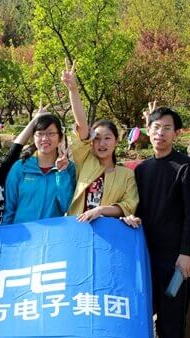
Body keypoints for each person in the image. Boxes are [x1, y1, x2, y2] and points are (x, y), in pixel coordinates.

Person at [124, 105, 190, 338]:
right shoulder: (142, 169)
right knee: (141, 320)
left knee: (170, 324)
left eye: (167, 128)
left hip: (174, 262)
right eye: (156, 127)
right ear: (148, 130)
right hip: (144, 259)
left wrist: (186, 253)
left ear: (177, 133)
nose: (160, 133)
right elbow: (135, 207)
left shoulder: (186, 167)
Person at [61, 59, 137, 222]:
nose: (102, 143)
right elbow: (82, 125)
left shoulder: (126, 175)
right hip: (78, 228)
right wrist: (73, 90)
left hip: (107, 232)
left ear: (116, 141)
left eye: (107, 138)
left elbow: (128, 206)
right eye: (97, 138)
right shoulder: (84, 160)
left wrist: (101, 210)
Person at [3, 113, 76, 224]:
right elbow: (9, 208)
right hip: (22, 232)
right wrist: (6, 231)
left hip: (51, 233)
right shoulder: (21, 167)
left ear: (60, 138)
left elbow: (66, 206)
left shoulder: (68, 168)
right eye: (40, 134)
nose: (45, 138)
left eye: (51, 133)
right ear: (33, 137)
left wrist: (61, 173)